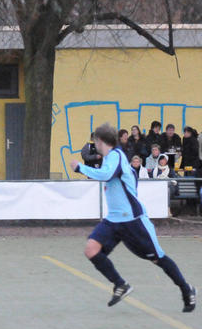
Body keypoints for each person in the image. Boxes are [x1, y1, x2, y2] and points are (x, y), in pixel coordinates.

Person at [70, 123, 195, 312]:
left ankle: (186, 289)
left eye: (95, 141)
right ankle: (120, 284)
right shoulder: (111, 158)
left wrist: (80, 167)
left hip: (132, 219)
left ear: (101, 141)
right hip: (114, 219)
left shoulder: (115, 156)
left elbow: (106, 175)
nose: (94, 145)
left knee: (157, 258)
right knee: (91, 249)